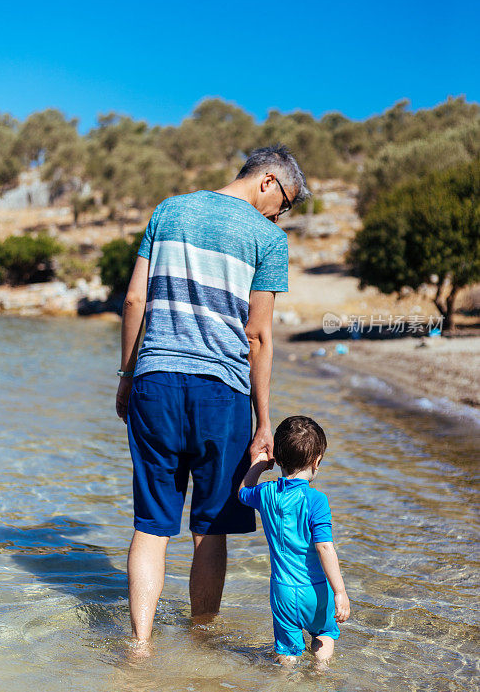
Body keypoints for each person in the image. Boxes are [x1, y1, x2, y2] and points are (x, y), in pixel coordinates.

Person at [115, 145, 311, 644]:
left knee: (152, 524)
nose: (281, 213)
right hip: (222, 391)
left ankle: (139, 647)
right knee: (210, 525)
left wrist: (126, 375)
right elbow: (258, 335)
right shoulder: (268, 238)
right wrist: (263, 422)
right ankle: (201, 643)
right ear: (268, 180)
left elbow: (135, 298)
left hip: (154, 381)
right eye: (285, 202)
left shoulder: (169, 209)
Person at [238, 415, 350, 664]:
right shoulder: (316, 500)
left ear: (277, 459)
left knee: (287, 652)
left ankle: (286, 685)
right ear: (316, 461)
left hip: (283, 592)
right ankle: (321, 674)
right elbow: (324, 547)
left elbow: (242, 492)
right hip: (316, 590)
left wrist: (258, 464)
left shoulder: (265, 493)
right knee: (324, 634)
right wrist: (340, 591)